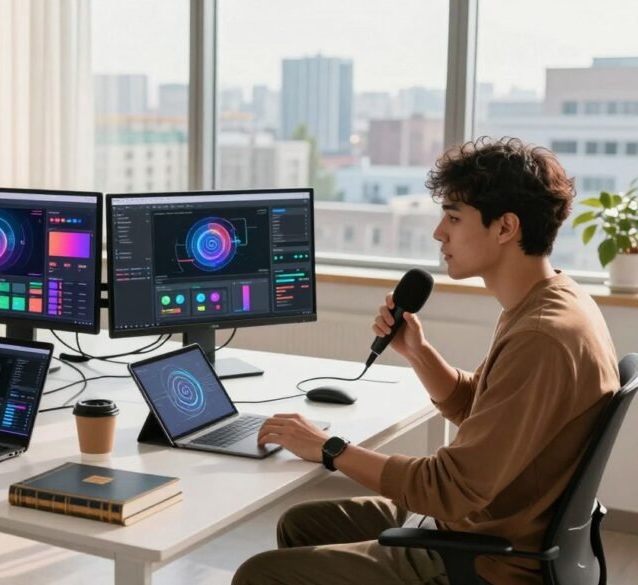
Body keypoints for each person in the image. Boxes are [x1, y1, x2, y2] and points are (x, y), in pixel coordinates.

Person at [233, 137, 619, 585]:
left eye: (453, 218)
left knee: (260, 574)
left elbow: (451, 489)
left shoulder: (541, 337)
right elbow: (487, 409)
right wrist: (417, 351)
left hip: (486, 560)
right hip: (489, 524)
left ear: (505, 228)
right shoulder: (554, 300)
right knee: (304, 523)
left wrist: (329, 449)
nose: (439, 233)